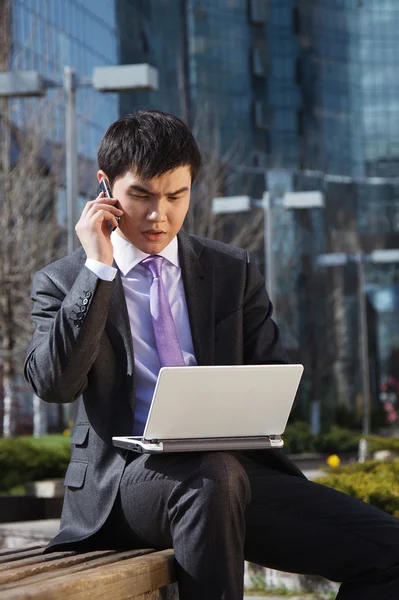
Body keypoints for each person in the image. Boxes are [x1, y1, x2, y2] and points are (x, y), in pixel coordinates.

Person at [25, 110, 399, 600]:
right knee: (212, 479)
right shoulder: (64, 281)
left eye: (176, 196)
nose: (159, 215)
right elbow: (54, 385)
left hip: (236, 472)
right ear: (105, 188)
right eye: (141, 195)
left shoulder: (230, 270)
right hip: (126, 483)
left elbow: (268, 370)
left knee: (388, 552)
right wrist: (98, 270)